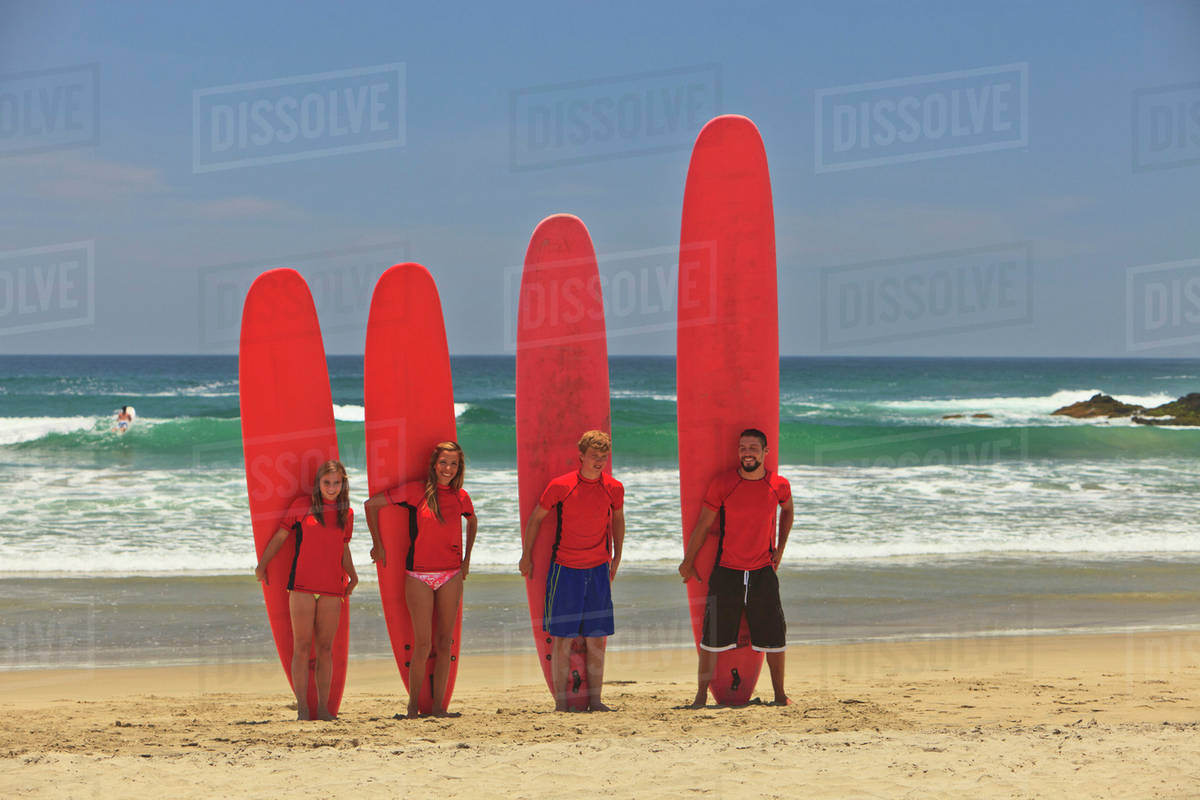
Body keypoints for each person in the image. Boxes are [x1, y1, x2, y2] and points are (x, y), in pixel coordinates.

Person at [678, 428, 793, 708]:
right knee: (712, 636)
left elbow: (788, 510)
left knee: (774, 636)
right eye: (743, 447)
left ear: (765, 452)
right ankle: (701, 696)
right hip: (727, 570)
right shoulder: (723, 483)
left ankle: (780, 695)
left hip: (762, 571)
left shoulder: (778, 485)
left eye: (753, 448)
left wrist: (780, 548)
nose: (747, 452)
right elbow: (704, 524)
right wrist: (688, 560)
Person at [364, 442, 477, 718]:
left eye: (453, 464)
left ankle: (439, 709)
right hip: (418, 576)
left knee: (445, 643)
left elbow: (472, 520)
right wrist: (377, 544)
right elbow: (371, 505)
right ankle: (413, 707)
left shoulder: (461, 497)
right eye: (443, 462)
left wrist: (466, 559)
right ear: (434, 465)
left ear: (459, 468)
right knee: (423, 644)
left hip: (451, 575)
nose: (448, 468)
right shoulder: (416, 491)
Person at [519, 430, 625, 712]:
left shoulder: (613, 488)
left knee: (596, 640)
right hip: (565, 570)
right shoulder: (561, 486)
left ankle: (595, 700)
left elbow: (618, 520)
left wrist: (617, 557)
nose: (599, 461)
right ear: (581, 456)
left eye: (603, 457)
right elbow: (536, 519)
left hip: (598, 569)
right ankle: (562, 704)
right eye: (594, 456)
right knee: (563, 639)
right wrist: (526, 555)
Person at [255, 459, 358, 721]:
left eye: (337, 483)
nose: (332, 487)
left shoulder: (347, 513)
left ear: (343, 484)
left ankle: (323, 708)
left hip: (332, 588)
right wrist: (263, 565)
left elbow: (343, 547)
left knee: (325, 649)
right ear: (318, 483)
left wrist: (353, 575)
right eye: (327, 482)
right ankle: (302, 708)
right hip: (301, 586)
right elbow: (281, 536)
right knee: (301, 647)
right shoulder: (303, 506)